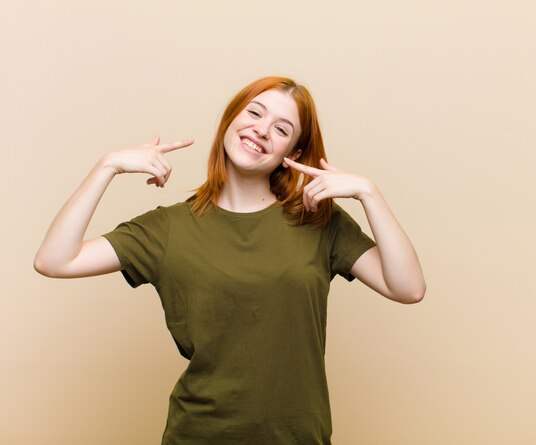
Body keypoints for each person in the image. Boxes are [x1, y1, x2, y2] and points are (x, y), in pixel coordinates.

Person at [34, 76, 426, 445]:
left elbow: (408, 288)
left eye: (282, 128)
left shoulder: (318, 220)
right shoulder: (167, 228)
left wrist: (369, 194)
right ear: (231, 119)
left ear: (294, 153)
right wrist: (107, 167)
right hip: (199, 434)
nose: (261, 129)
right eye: (255, 113)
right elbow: (55, 260)